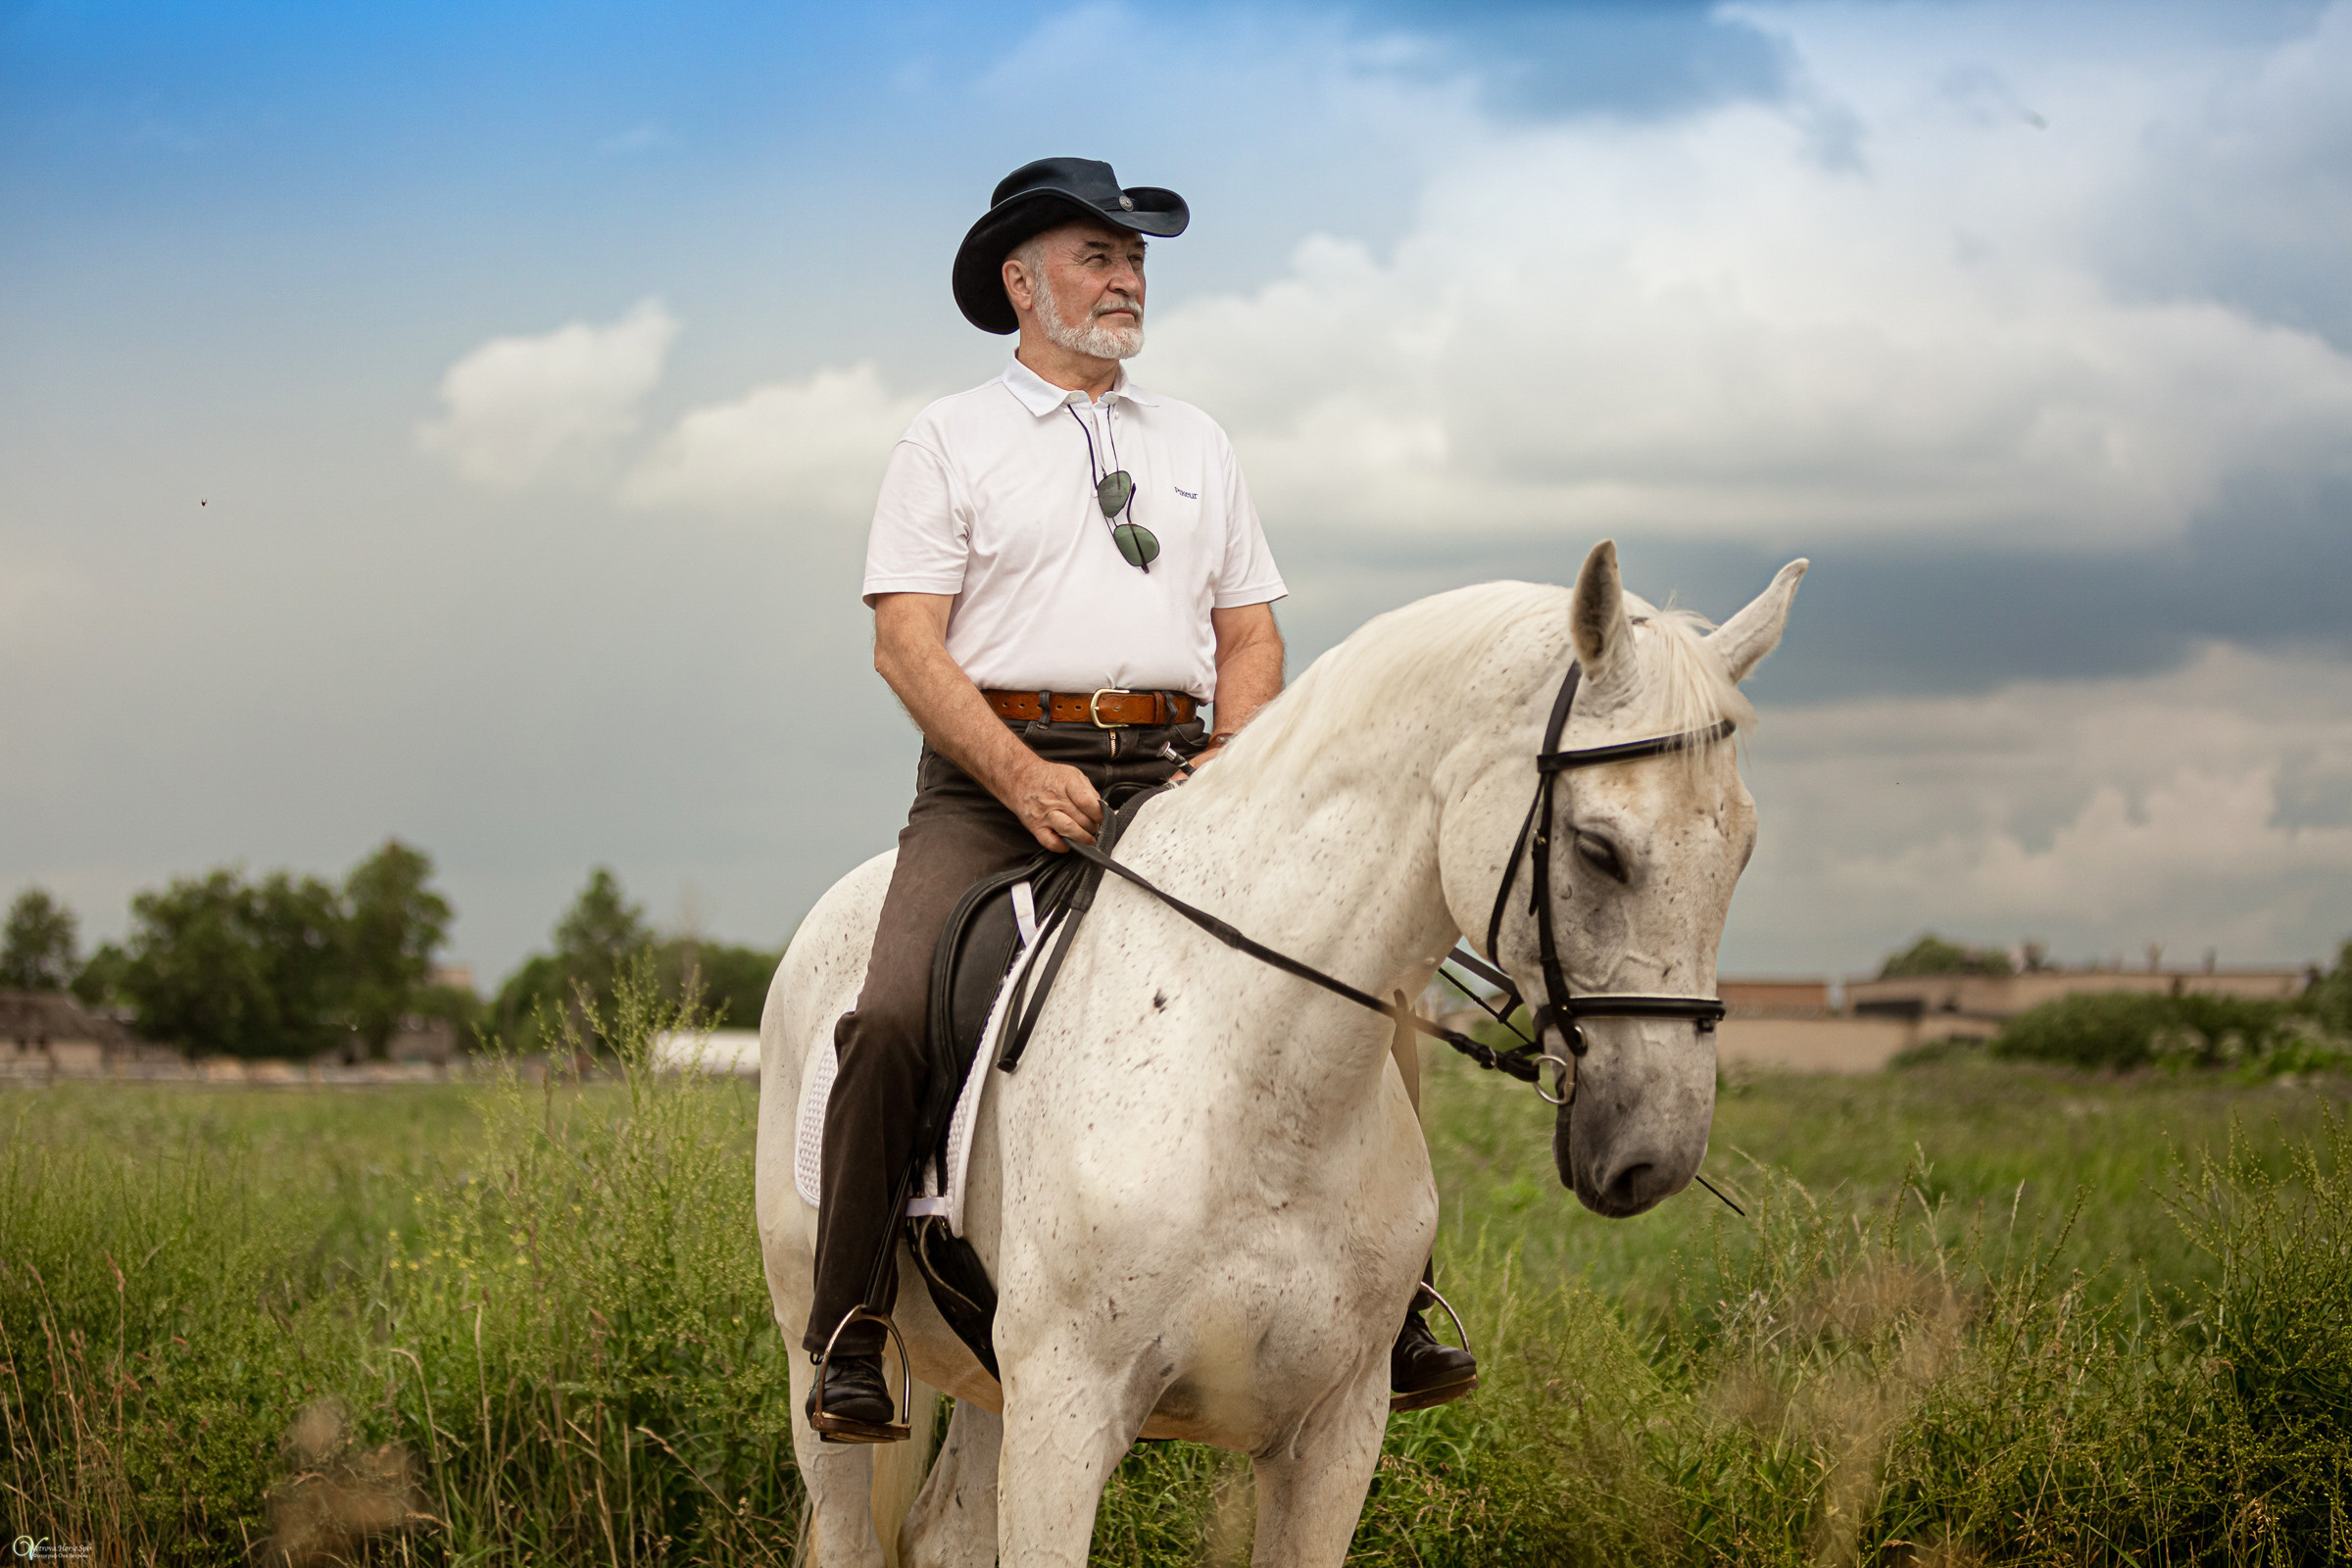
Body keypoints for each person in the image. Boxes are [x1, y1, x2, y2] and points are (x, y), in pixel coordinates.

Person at [806, 156, 1477, 1440]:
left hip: (1181, 774)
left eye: (1136, 260)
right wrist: (1013, 769)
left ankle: (1391, 1299)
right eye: (1097, 256)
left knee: (1355, 971)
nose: (1125, 279)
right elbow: (907, 643)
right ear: (1021, 281)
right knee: (891, 1015)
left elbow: (1250, 638)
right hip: (993, 783)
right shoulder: (949, 438)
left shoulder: (1196, 441)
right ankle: (852, 1321)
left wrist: (1241, 757)